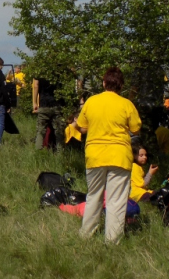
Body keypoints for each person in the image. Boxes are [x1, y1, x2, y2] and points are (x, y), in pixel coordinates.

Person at [73, 66, 142, 244]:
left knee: (93, 196)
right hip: (120, 156)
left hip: (95, 155)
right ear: (121, 86)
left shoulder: (91, 102)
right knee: (116, 200)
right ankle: (112, 240)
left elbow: (81, 127)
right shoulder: (126, 104)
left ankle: (86, 234)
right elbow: (136, 128)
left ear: (104, 83)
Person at [32, 76, 66, 151]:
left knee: (41, 131)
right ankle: (60, 153)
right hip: (58, 103)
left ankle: (38, 152)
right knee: (59, 131)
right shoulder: (60, 66)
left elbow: (35, 85)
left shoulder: (39, 69)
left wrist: (34, 102)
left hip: (44, 103)